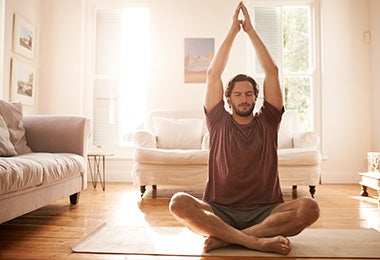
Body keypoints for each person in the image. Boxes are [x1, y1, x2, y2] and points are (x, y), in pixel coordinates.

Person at [169, 2, 320, 256]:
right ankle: (257, 241)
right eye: (238, 94)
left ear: (256, 98)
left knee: (310, 209)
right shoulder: (218, 120)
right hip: (219, 209)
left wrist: (250, 30)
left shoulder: (269, 121)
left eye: (249, 94)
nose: (244, 98)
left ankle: (229, 238)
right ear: (228, 100)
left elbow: (272, 72)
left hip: (266, 210)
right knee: (178, 203)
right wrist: (233, 30)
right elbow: (213, 74)